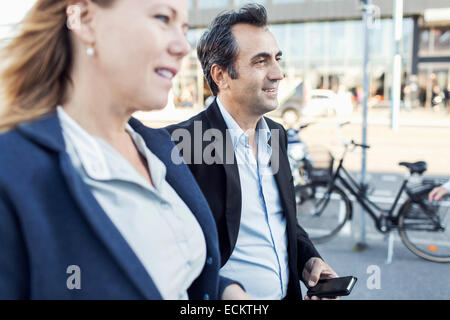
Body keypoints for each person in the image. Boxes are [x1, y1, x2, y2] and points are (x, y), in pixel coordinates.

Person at [0, 0, 248, 300]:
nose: (184, 46)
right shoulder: (13, 172)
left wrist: (226, 292)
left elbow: (170, 274)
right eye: (162, 18)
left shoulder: (157, 147)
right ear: (86, 19)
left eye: (184, 28)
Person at [166, 4, 338, 300]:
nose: (278, 74)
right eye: (261, 62)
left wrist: (309, 260)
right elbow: (169, 252)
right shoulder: (180, 144)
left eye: (277, 59)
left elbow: (282, 219)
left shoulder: (277, 136)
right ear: (221, 75)